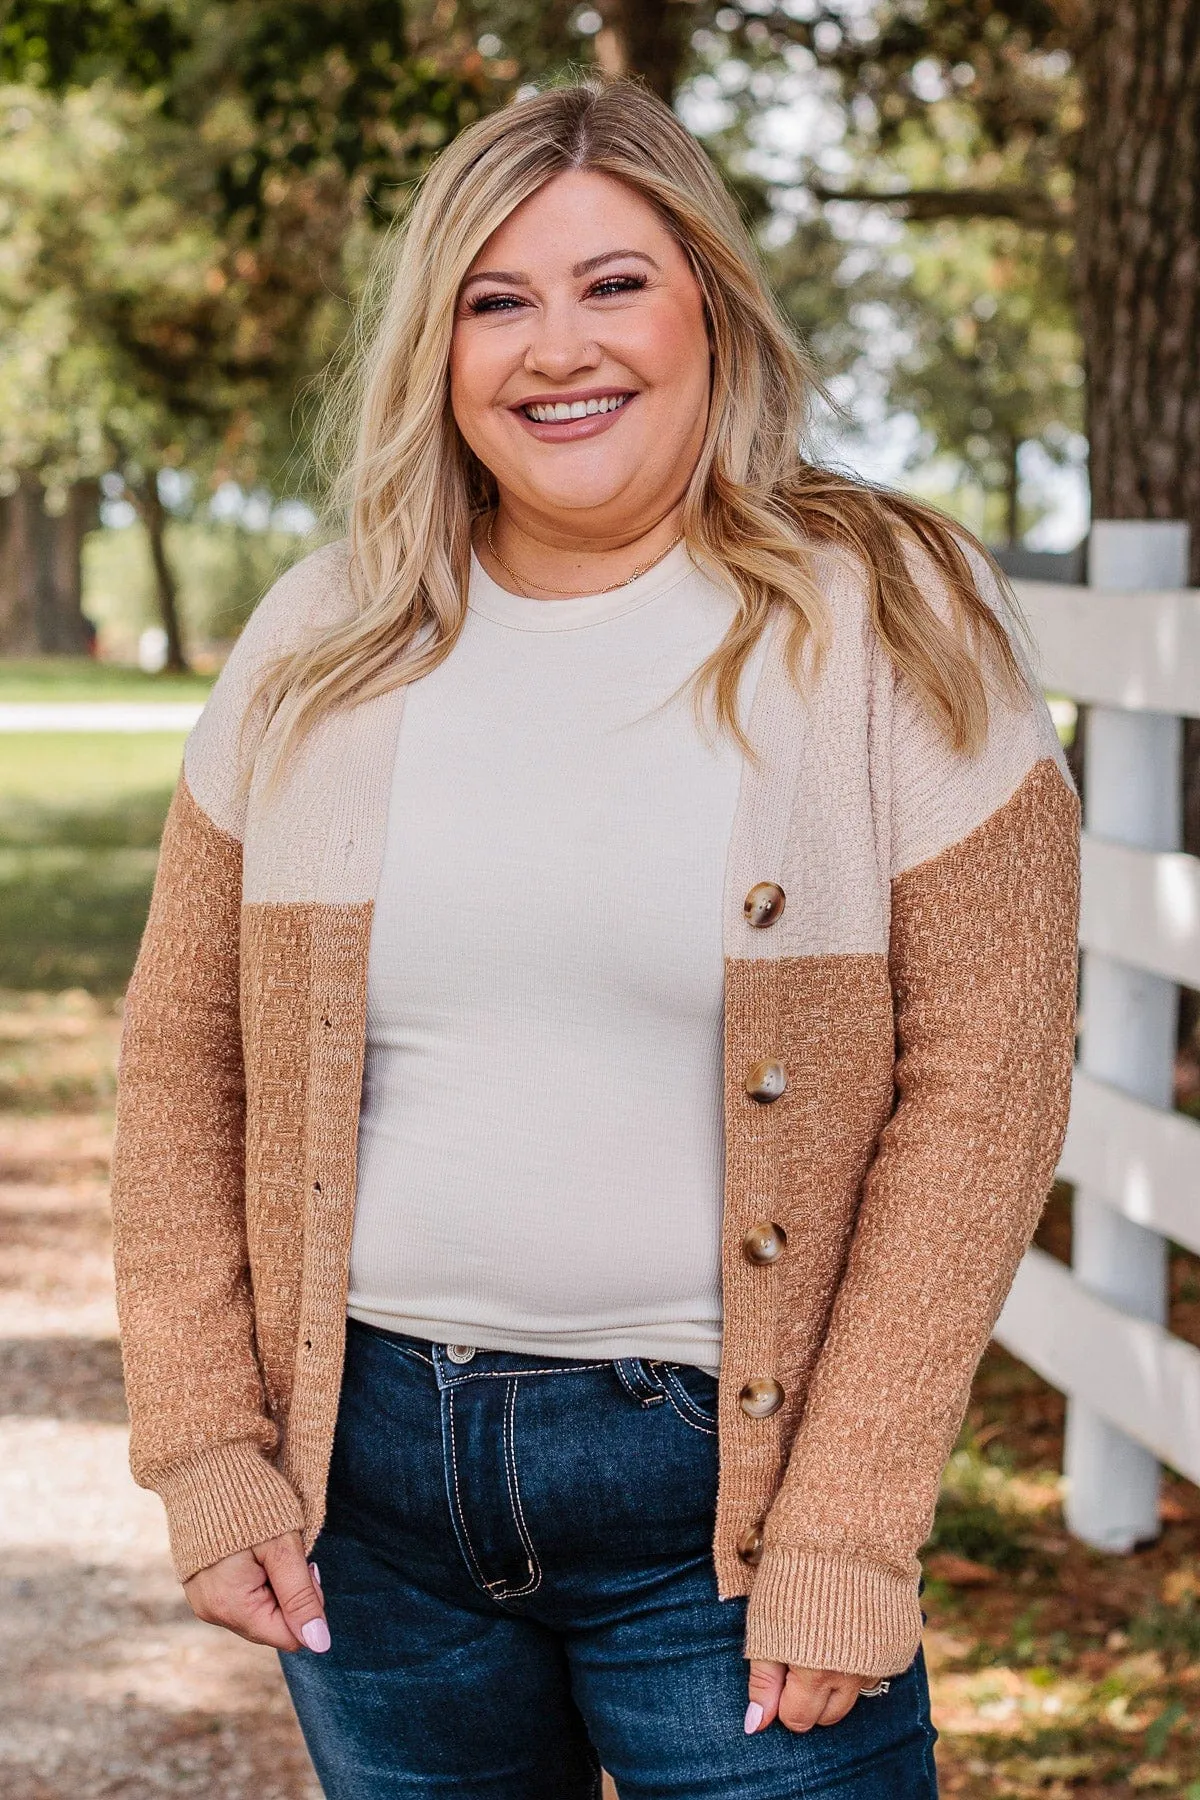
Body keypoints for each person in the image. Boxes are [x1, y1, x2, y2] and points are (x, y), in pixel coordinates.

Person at [109, 75, 1081, 1800]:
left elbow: (987, 1085)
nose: (559, 346)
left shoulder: (889, 615)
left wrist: (853, 1516)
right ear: (442, 347)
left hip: (735, 1512)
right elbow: (185, 1057)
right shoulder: (325, 635)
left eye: (614, 282)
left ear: (710, 299)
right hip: (375, 1496)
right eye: (499, 298)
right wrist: (206, 1446)